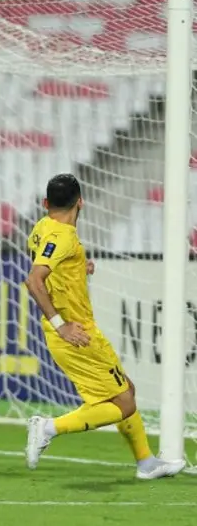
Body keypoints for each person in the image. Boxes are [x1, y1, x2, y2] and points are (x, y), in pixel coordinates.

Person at [24, 173, 185, 480]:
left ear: (46, 203)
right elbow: (34, 281)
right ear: (80, 202)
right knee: (123, 403)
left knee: (126, 390)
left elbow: (52, 262)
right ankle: (47, 427)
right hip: (77, 334)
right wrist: (62, 326)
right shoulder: (64, 236)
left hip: (71, 332)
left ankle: (146, 462)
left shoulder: (43, 227)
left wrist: (78, 267)